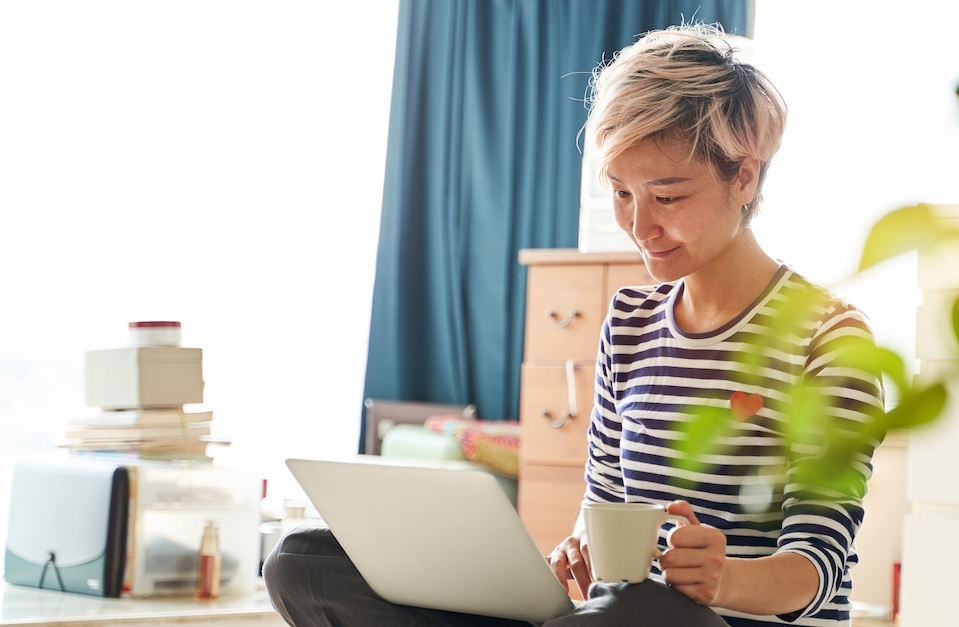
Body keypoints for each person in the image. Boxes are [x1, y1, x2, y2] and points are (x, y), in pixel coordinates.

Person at [264, 22, 882, 627]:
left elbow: (819, 564)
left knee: (643, 606)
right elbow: (602, 508)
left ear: (743, 176)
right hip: (617, 616)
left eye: (667, 197)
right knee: (302, 561)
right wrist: (577, 547)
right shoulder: (631, 322)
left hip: (706, 621)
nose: (640, 227)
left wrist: (723, 579)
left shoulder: (829, 337)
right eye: (620, 193)